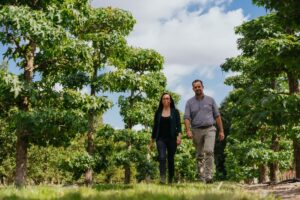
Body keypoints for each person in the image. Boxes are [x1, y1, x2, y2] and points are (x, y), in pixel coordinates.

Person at [184, 79, 224, 183]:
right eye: (195, 87)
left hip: (210, 128)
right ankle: (201, 177)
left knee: (209, 151)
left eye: (199, 86)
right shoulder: (189, 102)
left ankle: (208, 176)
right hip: (196, 130)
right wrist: (188, 130)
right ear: (193, 89)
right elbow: (187, 118)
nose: (197, 88)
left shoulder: (211, 100)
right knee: (200, 155)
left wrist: (221, 131)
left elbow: (217, 116)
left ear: (203, 87)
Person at [149, 92, 182, 184]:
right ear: (161, 101)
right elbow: (155, 128)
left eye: (168, 98)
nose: (166, 100)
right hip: (160, 139)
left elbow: (179, 126)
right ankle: (162, 178)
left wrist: (179, 137)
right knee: (162, 157)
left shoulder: (175, 112)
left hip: (172, 138)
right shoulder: (158, 113)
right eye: (164, 98)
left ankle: (170, 178)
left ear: (170, 100)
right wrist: (151, 142)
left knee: (171, 158)